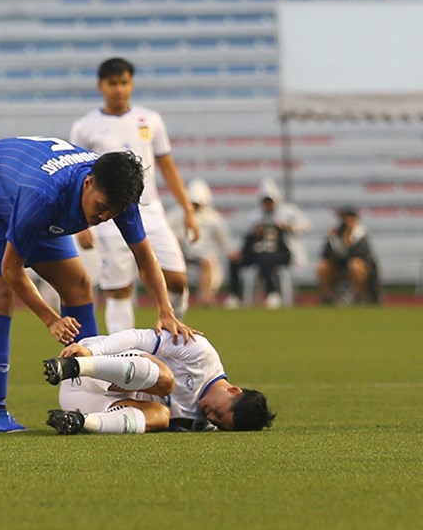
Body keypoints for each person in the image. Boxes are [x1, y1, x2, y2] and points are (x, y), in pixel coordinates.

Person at [0, 135, 196, 433]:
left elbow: (144, 256)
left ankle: (88, 387)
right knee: (0, 295)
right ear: (89, 183)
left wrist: (165, 310)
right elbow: (12, 270)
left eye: (113, 213)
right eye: (102, 207)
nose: (104, 218)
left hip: (30, 199)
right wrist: (51, 319)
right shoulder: (44, 196)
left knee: (78, 284)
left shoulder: (119, 195)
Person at [70, 57, 198, 335]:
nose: (119, 89)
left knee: (176, 280)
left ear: (132, 83)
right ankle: (124, 356)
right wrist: (80, 225)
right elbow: (79, 178)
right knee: (119, 289)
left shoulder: (150, 120)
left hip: (150, 212)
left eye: (124, 83)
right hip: (107, 216)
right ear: (100, 86)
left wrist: (187, 210)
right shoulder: (84, 127)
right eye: (112, 83)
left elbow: (167, 166)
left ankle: (172, 333)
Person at [42, 327, 275, 433]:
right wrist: (92, 352)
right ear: (233, 391)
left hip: (87, 403)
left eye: (220, 424)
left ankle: (79, 422)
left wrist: (82, 418)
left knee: (162, 416)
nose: (211, 418)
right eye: (220, 414)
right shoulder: (201, 353)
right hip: (89, 366)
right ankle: (72, 367)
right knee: (166, 382)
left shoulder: (202, 424)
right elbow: (137, 337)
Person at [225, 179, 310, 308]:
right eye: (265, 202)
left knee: (265, 259)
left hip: (282, 252)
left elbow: (306, 226)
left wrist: (289, 227)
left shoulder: (289, 213)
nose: (268, 205)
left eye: (270, 202)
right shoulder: (255, 216)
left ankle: (273, 294)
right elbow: (247, 239)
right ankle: (235, 295)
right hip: (259, 251)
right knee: (235, 261)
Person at [169, 178, 233, 307]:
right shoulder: (176, 215)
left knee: (207, 262)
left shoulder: (213, 218)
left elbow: (223, 239)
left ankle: (205, 298)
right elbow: (166, 231)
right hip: (180, 254)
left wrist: (230, 251)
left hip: (203, 256)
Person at [317, 206, 380, 305]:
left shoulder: (360, 235)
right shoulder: (335, 235)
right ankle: (327, 297)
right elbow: (325, 255)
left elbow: (363, 257)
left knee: (355, 265)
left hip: (356, 270)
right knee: (322, 266)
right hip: (338, 268)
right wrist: (333, 240)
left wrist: (348, 243)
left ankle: (358, 297)